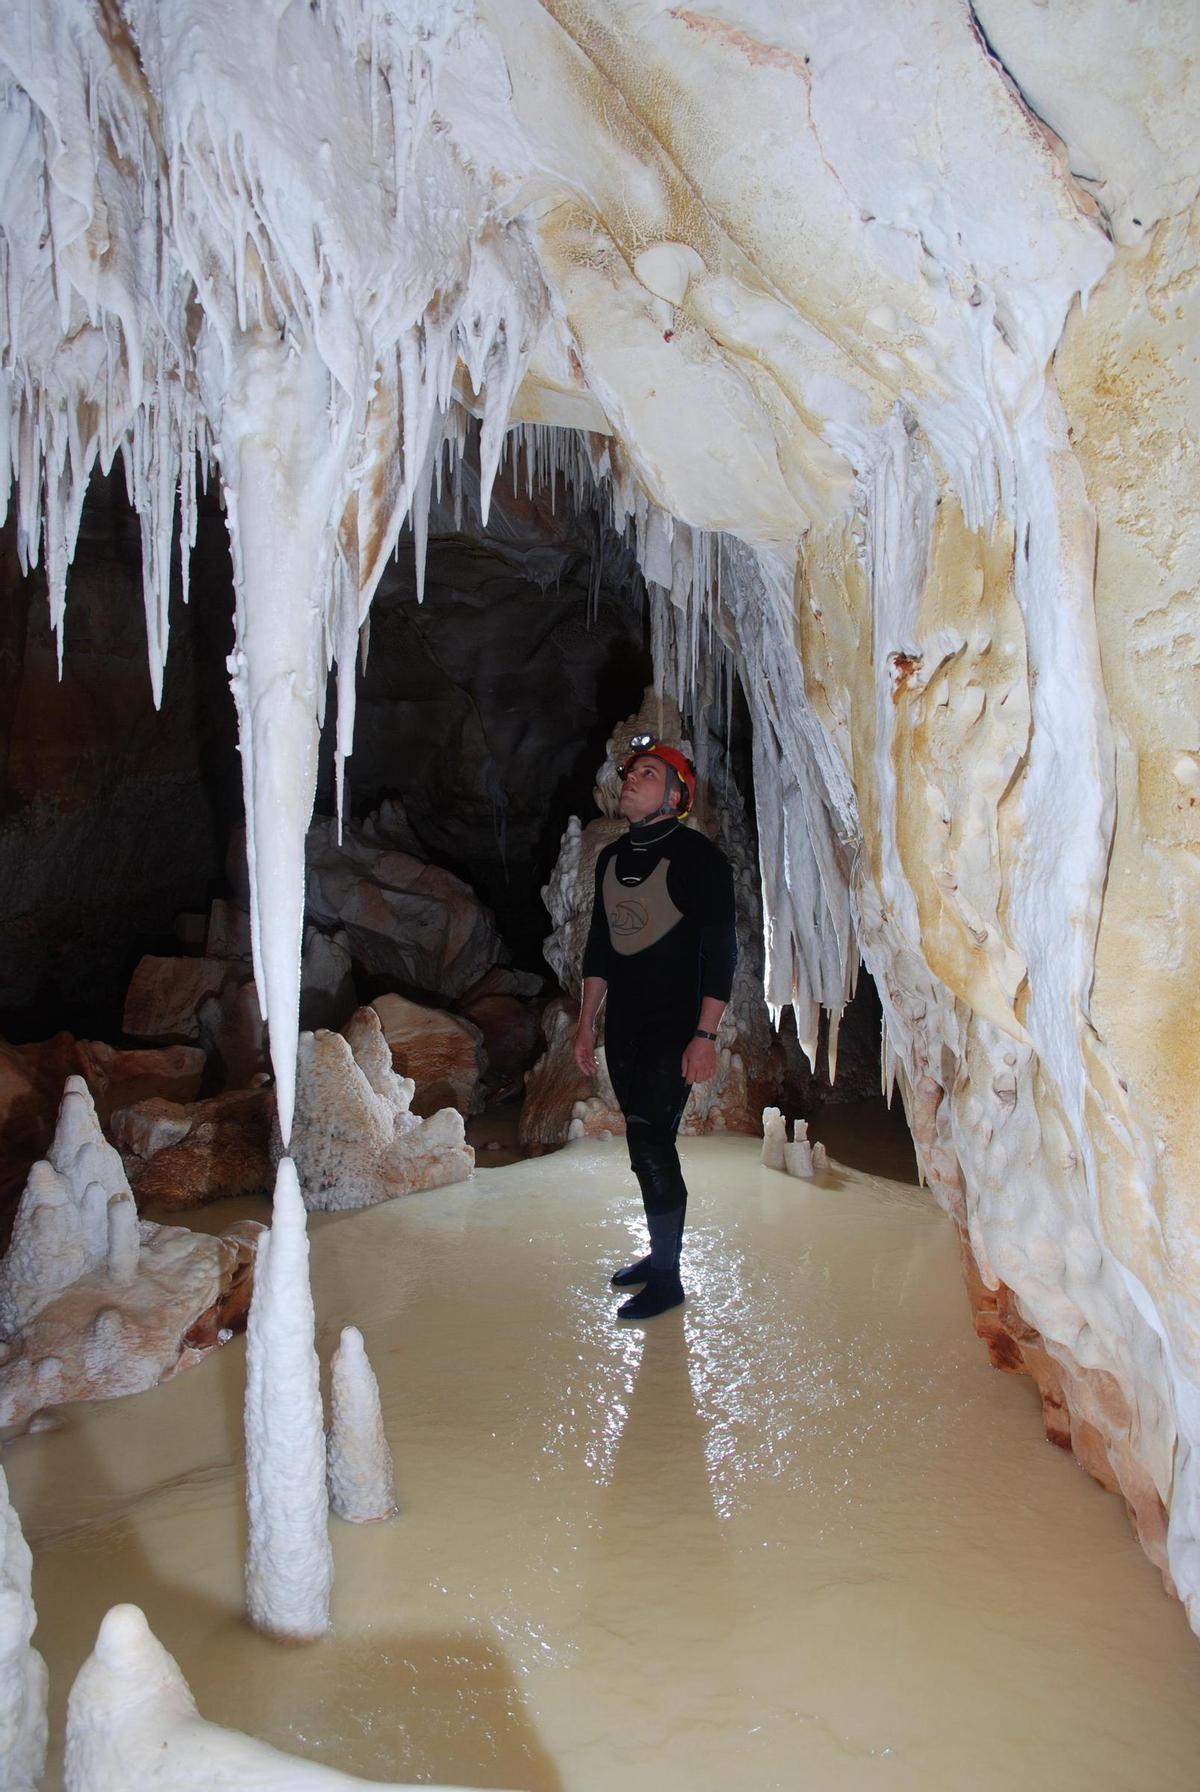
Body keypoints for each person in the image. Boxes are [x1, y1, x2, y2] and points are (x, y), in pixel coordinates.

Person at [573, 735, 737, 1319]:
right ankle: (658, 1255)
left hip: (675, 1027)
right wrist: (586, 1026)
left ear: (674, 796)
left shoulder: (699, 858)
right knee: (643, 1147)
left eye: (647, 773)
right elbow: (600, 948)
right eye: (630, 773)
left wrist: (705, 1036)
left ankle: (668, 1279)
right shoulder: (612, 859)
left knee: (653, 1146)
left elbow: (722, 953)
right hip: (626, 1027)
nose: (631, 780)